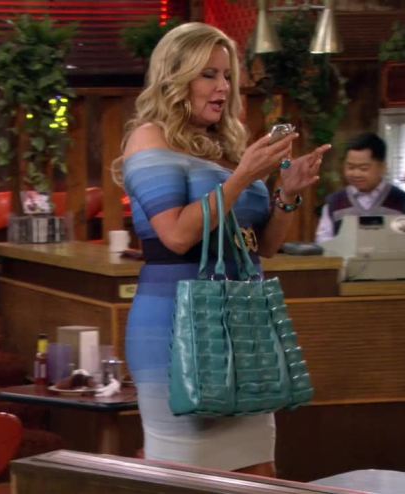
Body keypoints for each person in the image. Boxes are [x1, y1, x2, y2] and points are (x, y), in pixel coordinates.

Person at [119, 22, 331, 477]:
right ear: (176, 78)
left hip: (243, 328)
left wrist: (287, 193)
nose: (223, 87)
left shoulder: (228, 145)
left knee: (259, 474)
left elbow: (265, 246)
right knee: (190, 478)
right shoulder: (150, 138)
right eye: (209, 74)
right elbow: (176, 235)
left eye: (228, 75)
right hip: (177, 329)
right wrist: (242, 178)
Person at [315, 132, 405, 243]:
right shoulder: (335, 203)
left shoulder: (403, 201)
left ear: (383, 167)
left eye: (363, 168)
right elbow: (323, 241)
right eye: (351, 167)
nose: (356, 174)